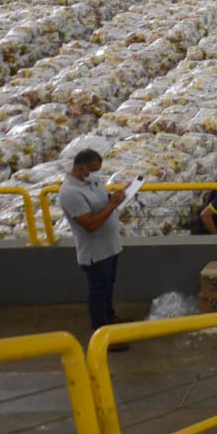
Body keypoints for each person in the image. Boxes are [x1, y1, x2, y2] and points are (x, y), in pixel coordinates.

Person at [58, 149, 128, 349]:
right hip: (95, 252)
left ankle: (110, 317)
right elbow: (89, 224)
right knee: (98, 290)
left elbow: (104, 201)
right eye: (92, 170)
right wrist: (112, 205)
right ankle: (101, 334)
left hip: (110, 246)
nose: (95, 174)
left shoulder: (92, 181)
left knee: (109, 285)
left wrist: (120, 195)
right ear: (80, 168)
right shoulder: (70, 193)